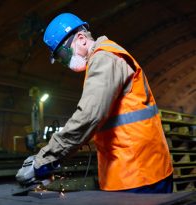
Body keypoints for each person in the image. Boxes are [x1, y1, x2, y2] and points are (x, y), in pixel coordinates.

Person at [17, 13, 173, 193]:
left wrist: (43, 161)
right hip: (134, 169)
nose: (65, 62)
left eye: (62, 54)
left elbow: (89, 116)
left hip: (138, 173)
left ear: (81, 39)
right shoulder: (104, 59)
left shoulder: (104, 58)